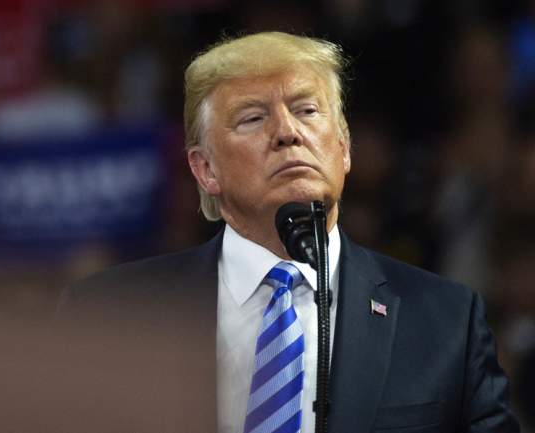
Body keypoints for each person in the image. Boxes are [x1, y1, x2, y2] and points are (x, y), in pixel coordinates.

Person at [60, 32, 519, 433]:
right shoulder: (107, 315)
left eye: (307, 110)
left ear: (343, 149)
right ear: (205, 169)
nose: (287, 132)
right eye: (252, 118)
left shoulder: (444, 322)